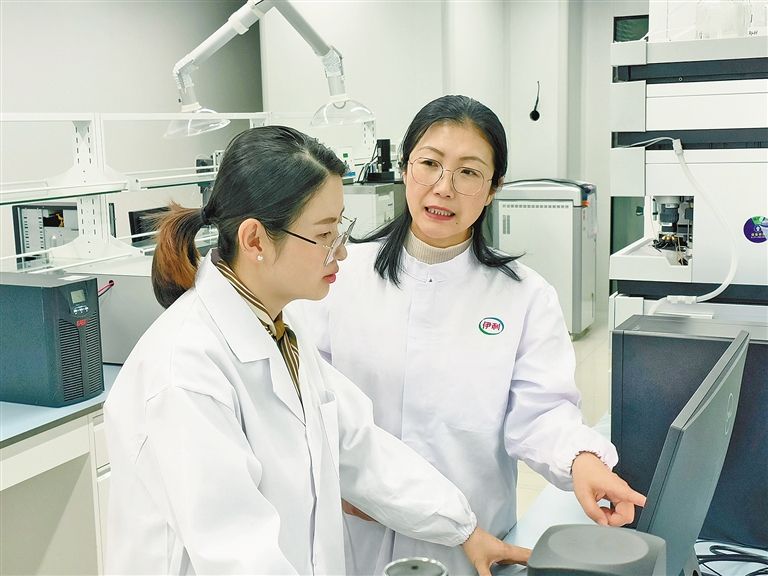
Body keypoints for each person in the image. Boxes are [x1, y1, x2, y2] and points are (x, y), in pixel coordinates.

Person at [103, 125, 530, 576]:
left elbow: (358, 446)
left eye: (340, 228)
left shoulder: (278, 331)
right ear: (255, 240)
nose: (341, 253)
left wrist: (464, 530)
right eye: (325, 234)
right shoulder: (186, 371)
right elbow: (241, 556)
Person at [294, 96, 647, 575]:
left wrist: (583, 459)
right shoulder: (337, 276)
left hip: (472, 546)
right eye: (430, 164)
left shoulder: (524, 296)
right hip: (356, 535)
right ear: (405, 169)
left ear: (492, 189)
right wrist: (328, 482)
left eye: (468, 172)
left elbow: (542, 413)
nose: (444, 188)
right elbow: (303, 402)